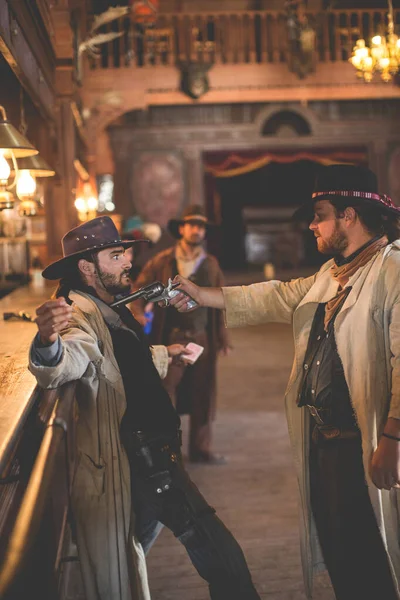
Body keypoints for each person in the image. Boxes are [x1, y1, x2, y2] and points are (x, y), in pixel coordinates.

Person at [169, 165, 400, 600]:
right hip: (325, 441)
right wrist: (203, 296)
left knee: (373, 553)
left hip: (365, 441)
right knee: (339, 549)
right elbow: (276, 295)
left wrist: (392, 435)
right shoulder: (333, 272)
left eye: (319, 214)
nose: (312, 224)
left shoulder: (392, 270)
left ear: (349, 215)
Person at [28, 216, 260, 600]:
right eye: (116, 256)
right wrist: (47, 338)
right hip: (148, 462)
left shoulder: (102, 305)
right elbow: (63, 364)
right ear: (88, 266)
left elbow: (115, 363)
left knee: (128, 550)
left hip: (149, 455)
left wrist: (163, 354)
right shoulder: (75, 315)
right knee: (220, 554)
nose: (127, 263)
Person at [132, 205, 231, 464]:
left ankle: (200, 449)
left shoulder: (210, 264)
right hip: (171, 336)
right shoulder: (163, 261)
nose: (197, 230)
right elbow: (140, 288)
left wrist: (223, 337)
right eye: (192, 225)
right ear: (182, 229)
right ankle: (167, 450)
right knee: (166, 392)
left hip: (202, 338)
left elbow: (222, 301)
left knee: (203, 392)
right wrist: (139, 312)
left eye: (202, 226)